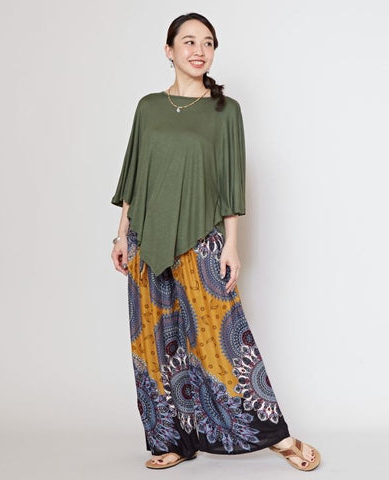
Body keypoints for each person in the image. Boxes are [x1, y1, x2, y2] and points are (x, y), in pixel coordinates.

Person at [110, 12, 321, 472]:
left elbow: (230, 183)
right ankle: (172, 440)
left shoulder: (226, 110)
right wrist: (122, 234)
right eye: (188, 41)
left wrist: (230, 244)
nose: (198, 50)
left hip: (201, 236)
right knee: (156, 344)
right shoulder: (148, 107)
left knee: (223, 340)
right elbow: (134, 176)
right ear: (169, 50)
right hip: (147, 239)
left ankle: (277, 437)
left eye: (207, 42)